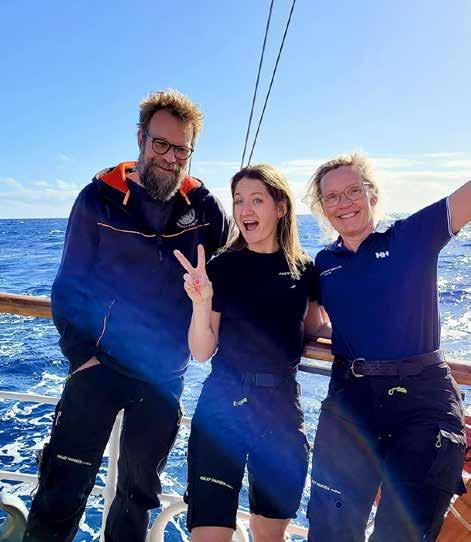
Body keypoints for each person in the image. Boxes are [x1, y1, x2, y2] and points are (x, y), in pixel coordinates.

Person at [23, 89, 229, 542]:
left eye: (181, 150)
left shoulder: (204, 207)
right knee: (62, 488)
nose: (170, 158)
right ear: (141, 139)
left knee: (138, 496)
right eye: (161, 144)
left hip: (163, 377)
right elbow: (69, 284)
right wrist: (82, 357)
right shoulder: (97, 199)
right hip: (99, 366)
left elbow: (238, 268)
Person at [304, 152, 471, 541]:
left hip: (423, 403)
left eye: (353, 191)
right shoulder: (324, 262)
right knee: (330, 529)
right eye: (332, 197)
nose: (344, 203)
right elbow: (314, 325)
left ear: (373, 194)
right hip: (351, 400)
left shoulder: (411, 237)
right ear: (323, 208)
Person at [174, 164, 330, 542]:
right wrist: (201, 302)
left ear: (280, 207)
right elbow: (201, 351)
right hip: (223, 406)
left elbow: (317, 328)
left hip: (280, 409)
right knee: (209, 535)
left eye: (256, 200)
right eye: (239, 200)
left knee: (270, 535)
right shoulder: (222, 267)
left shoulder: (304, 269)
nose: (245, 210)